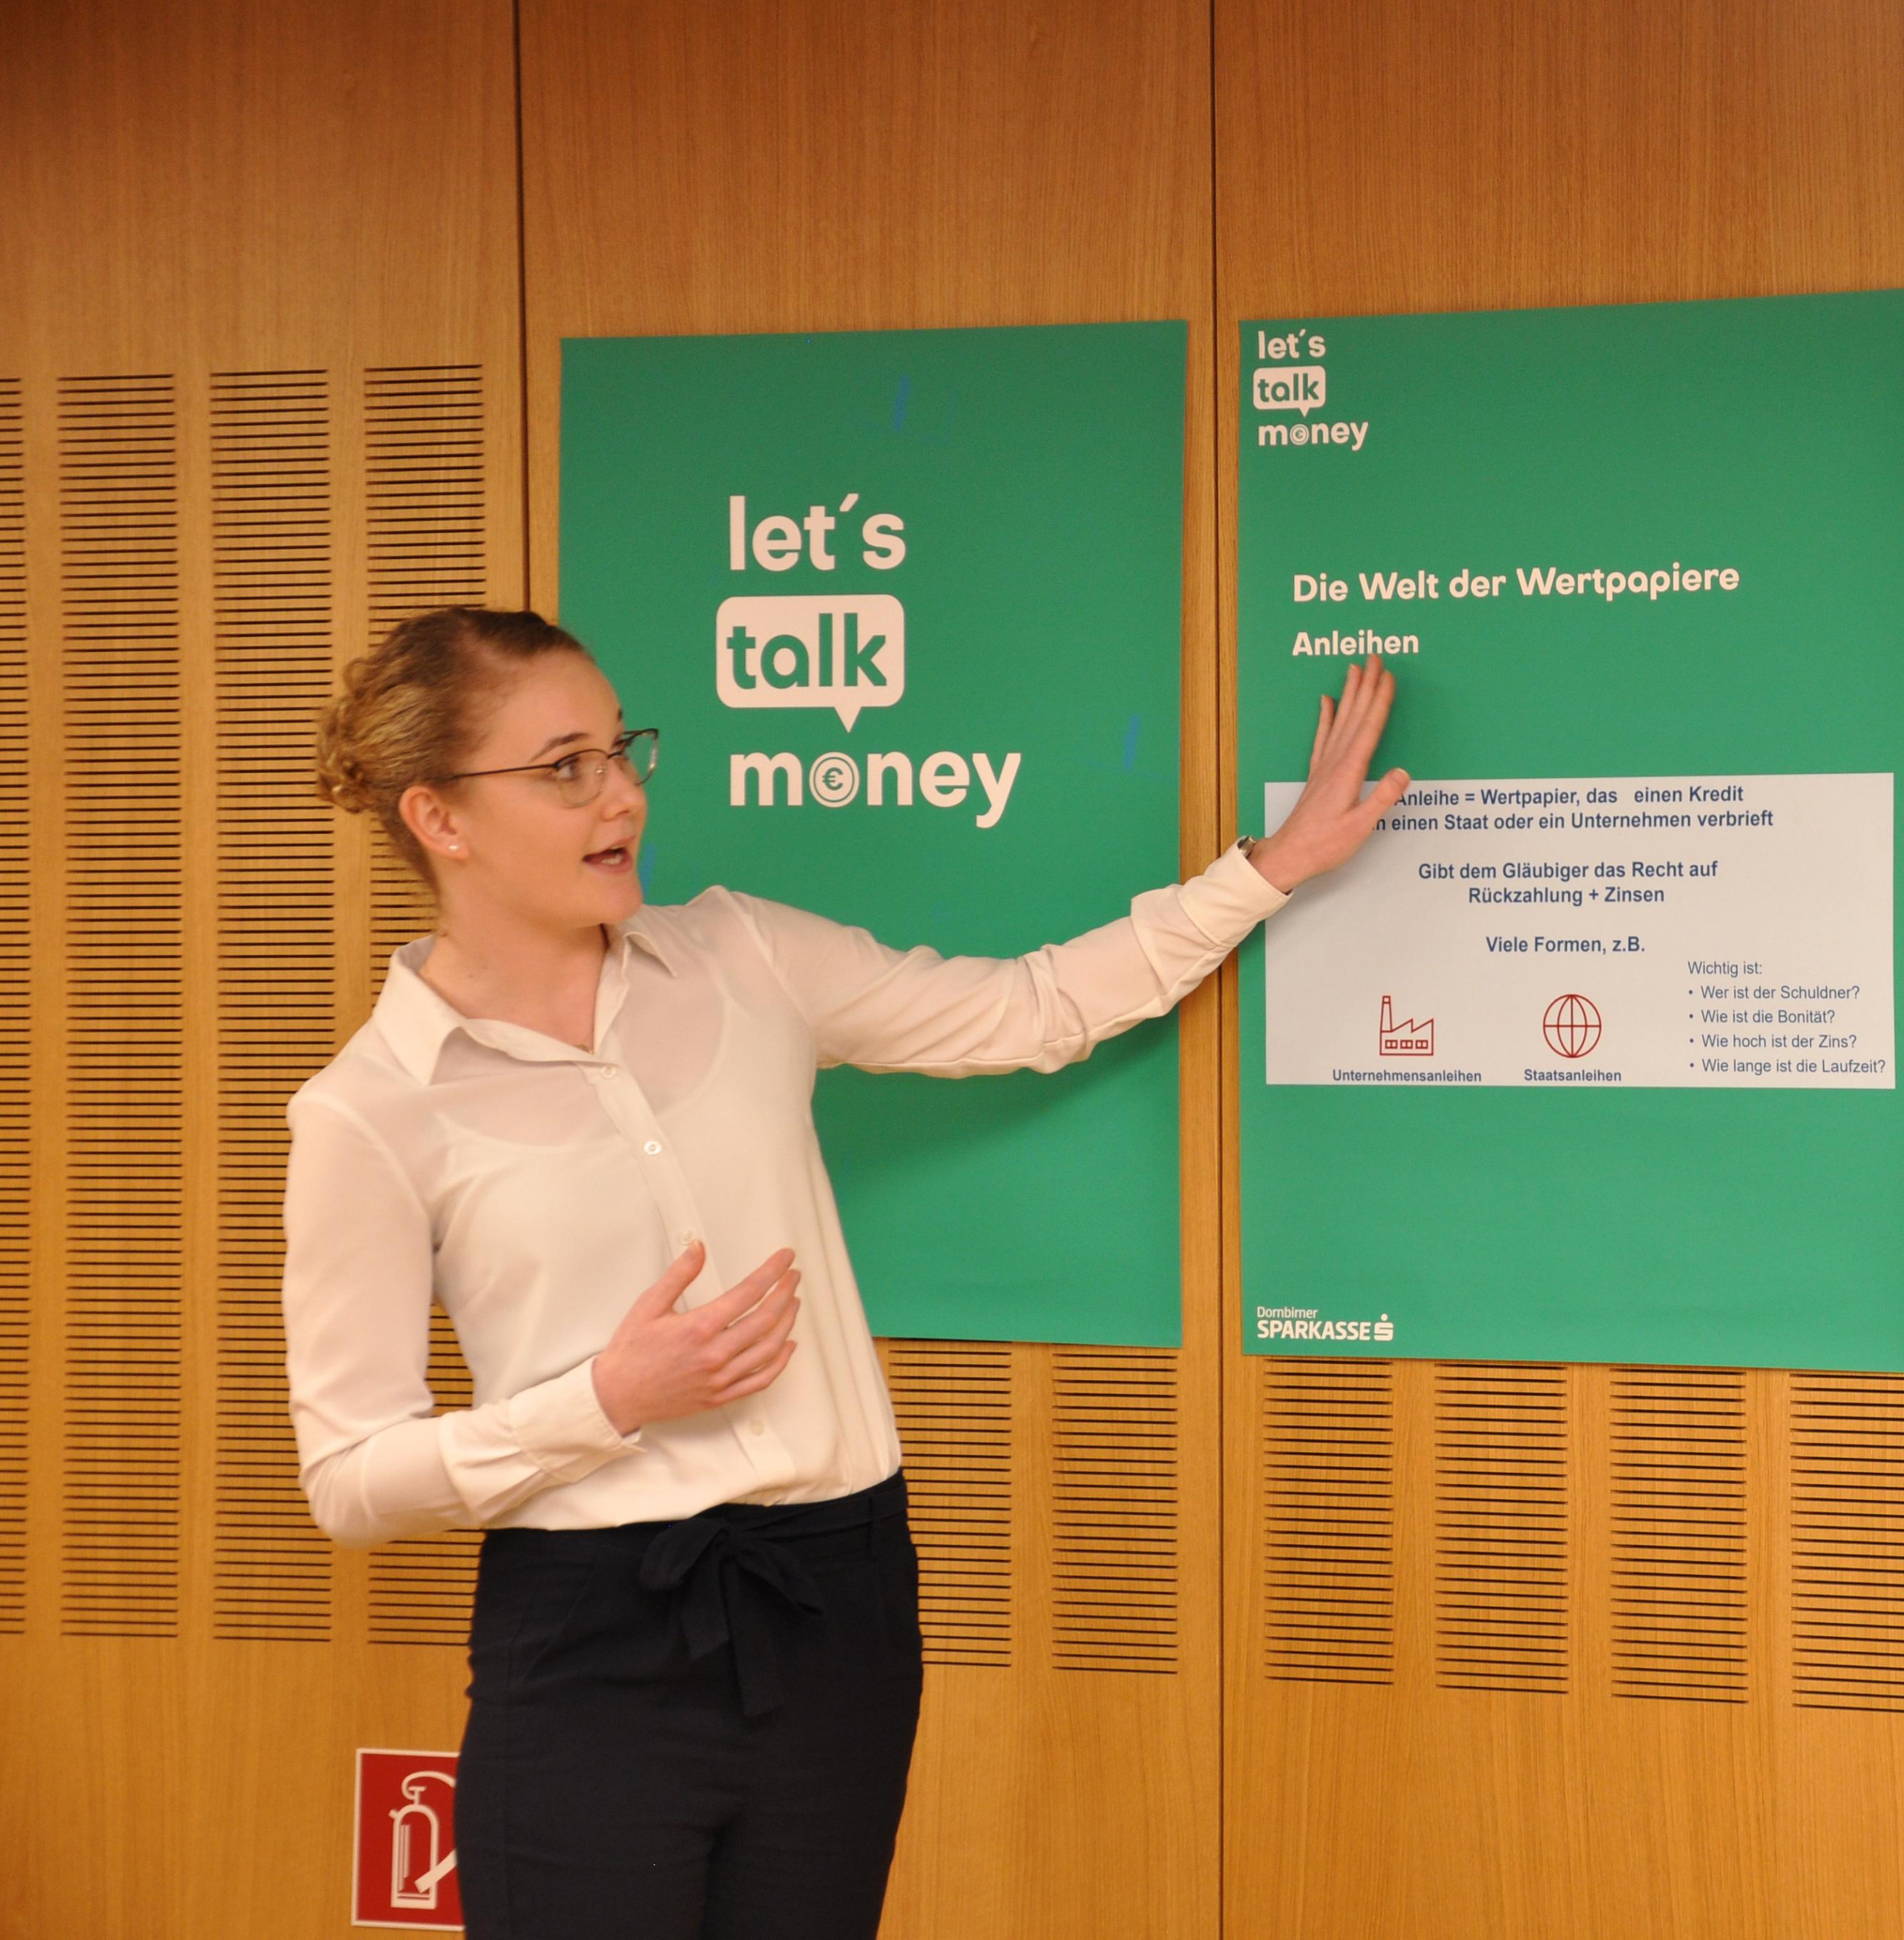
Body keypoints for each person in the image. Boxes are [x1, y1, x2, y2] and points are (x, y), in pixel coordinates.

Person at [284, 606, 1403, 1939]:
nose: (623, 793)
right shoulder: (367, 1114)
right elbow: (351, 1479)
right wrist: (605, 1400)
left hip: (841, 1602)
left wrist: (1275, 866)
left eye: (622, 749)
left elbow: (1033, 1008)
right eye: (565, 767)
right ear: (439, 817)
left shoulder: (746, 955)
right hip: (590, 1639)